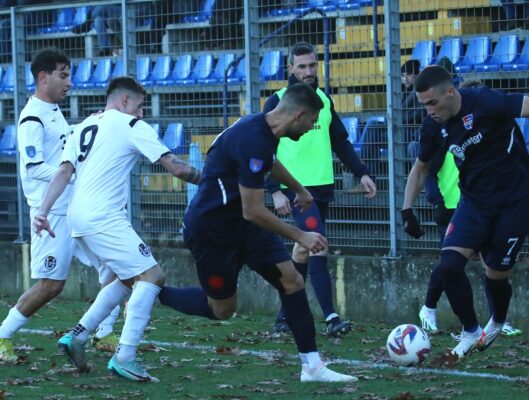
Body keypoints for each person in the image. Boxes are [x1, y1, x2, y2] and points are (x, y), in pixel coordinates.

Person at [157, 82, 358, 382]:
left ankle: (312, 367)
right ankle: (153, 294)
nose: (311, 128)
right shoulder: (251, 136)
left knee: (292, 281)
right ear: (299, 115)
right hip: (212, 232)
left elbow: (270, 163)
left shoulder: (264, 129)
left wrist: (299, 189)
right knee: (222, 310)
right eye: (313, 122)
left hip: (244, 226)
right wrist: (300, 236)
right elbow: (252, 208)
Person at [402, 65, 529, 358]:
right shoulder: (433, 126)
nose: (429, 110)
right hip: (473, 202)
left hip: (514, 201)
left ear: (451, 92)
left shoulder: (486, 101)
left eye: (432, 102)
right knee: (448, 264)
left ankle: (497, 320)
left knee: (496, 275)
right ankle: (471, 331)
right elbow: (420, 167)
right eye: (423, 105)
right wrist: (407, 209)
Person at [33, 76, 203, 382]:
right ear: (124, 101)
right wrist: (215, 179)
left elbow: (63, 171)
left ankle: (78, 336)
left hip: (77, 217)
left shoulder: (84, 125)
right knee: (153, 276)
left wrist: (43, 211)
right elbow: (176, 167)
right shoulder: (132, 126)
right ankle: (125, 357)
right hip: (103, 217)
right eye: (139, 106)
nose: (141, 114)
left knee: (127, 280)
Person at [0, 48, 118, 362]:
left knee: (115, 268)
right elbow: (34, 167)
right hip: (52, 215)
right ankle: (2, 335)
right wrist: (73, 174)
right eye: (63, 75)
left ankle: (104, 333)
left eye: (70, 75)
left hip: (77, 208)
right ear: (43, 77)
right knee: (51, 285)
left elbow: (61, 150)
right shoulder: (32, 118)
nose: (70, 83)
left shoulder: (52, 110)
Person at [263, 42, 377, 337]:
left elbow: (340, 140)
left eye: (312, 65)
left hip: (322, 187)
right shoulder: (277, 101)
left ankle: (283, 318)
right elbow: (263, 148)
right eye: (301, 66)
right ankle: (331, 317)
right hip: (295, 189)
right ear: (289, 69)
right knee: (317, 245)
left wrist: (361, 172)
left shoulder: (324, 100)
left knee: (302, 252)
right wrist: (274, 189)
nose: (308, 71)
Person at [419, 78, 523, 338]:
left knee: (492, 263)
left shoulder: (488, 130)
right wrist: (437, 202)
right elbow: (427, 171)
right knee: (449, 263)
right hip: (452, 207)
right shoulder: (443, 133)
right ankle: (429, 307)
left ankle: (497, 320)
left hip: (479, 204)